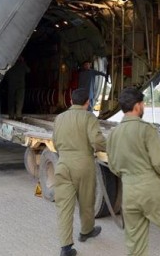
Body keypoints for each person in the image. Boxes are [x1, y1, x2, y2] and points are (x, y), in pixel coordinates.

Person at [107, 87, 160, 256]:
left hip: (129, 191)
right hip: (150, 188)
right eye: (143, 104)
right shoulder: (146, 129)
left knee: (135, 242)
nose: (143, 107)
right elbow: (159, 162)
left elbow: (113, 166)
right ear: (137, 106)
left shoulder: (113, 134)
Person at [52, 88, 106, 256]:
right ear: (88, 102)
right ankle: (86, 231)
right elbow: (97, 142)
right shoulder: (89, 117)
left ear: (71, 101)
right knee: (86, 201)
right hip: (83, 165)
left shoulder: (59, 118)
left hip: (62, 165)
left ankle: (65, 248)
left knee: (64, 207)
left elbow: (55, 142)